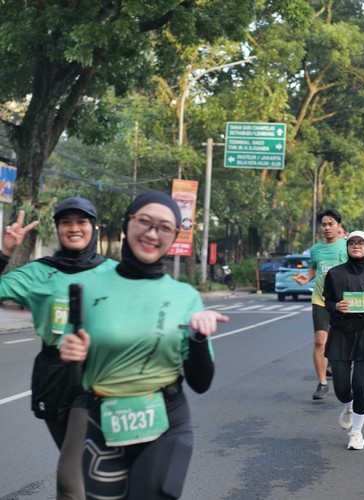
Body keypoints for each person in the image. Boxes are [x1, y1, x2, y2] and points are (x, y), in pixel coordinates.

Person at [60, 191, 229, 499]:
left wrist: (199, 338)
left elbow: (201, 383)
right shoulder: (88, 287)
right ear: (127, 223)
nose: (152, 234)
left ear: (174, 236)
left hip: (166, 421)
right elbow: (73, 384)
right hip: (103, 424)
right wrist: (73, 358)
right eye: (145, 222)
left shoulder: (185, 296)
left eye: (164, 227)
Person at [0, 198, 117, 500]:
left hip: (96, 375)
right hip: (52, 374)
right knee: (80, 466)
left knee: (69, 473)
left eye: (82, 221)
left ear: (94, 227)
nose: (74, 228)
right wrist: (5, 252)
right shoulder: (40, 272)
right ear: (58, 228)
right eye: (66, 222)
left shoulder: (116, 273)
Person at [323, 231, 364, 450]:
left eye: (361, 243)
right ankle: (349, 406)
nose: (356, 246)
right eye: (352, 243)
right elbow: (327, 302)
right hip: (340, 332)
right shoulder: (334, 274)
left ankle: (356, 432)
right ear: (347, 247)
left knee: (360, 385)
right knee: (342, 388)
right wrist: (335, 306)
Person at [296, 209, 348, 400]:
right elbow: (314, 269)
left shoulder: (347, 247)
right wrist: (307, 277)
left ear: (338, 226)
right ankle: (323, 382)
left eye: (330, 224)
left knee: (343, 340)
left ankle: (345, 371)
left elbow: (356, 270)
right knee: (319, 340)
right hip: (320, 300)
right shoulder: (316, 249)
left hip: (343, 301)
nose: (326, 227)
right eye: (324, 224)